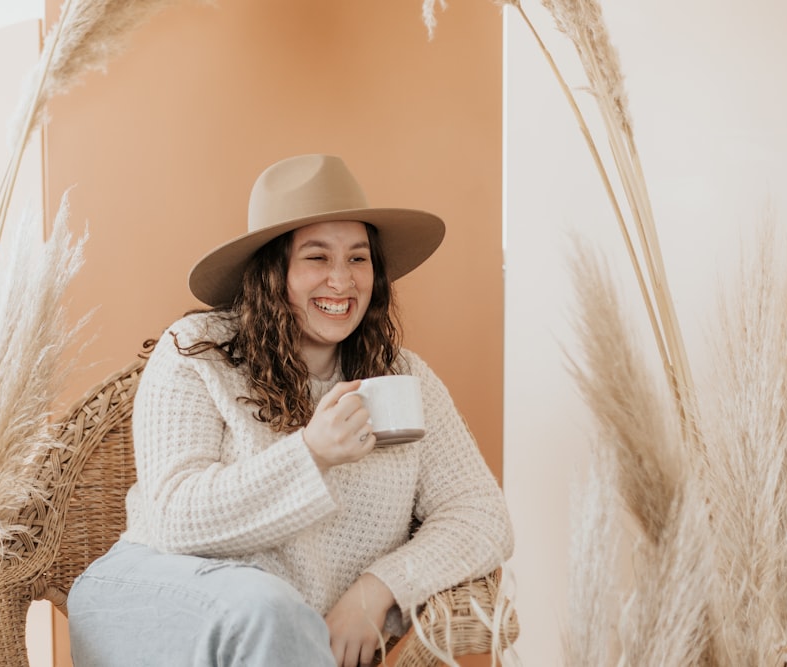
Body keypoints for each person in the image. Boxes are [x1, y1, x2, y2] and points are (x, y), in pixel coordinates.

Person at [67, 153, 513, 667]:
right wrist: (312, 454)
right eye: (317, 257)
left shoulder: (402, 377)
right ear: (272, 272)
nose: (342, 282)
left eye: (358, 258)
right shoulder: (197, 351)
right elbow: (173, 518)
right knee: (270, 609)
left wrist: (376, 590)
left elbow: (482, 516)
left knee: (279, 615)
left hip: (285, 637)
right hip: (156, 594)